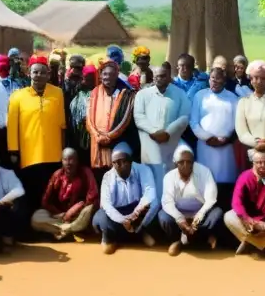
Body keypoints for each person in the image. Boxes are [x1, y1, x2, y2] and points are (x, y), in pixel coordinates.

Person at [8, 57, 67, 216]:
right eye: (35, 72)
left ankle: (50, 227)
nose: (38, 75)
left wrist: (63, 150)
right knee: (30, 193)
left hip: (52, 154)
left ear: (48, 74)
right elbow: (12, 126)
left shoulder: (57, 93)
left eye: (42, 72)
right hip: (29, 155)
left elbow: (62, 124)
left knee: (50, 193)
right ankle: (30, 228)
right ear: (29, 74)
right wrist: (14, 151)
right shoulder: (17, 96)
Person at [134, 62, 190, 197]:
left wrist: (168, 132)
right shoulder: (143, 95)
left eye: (163, 76)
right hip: (150, 144)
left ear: (169, 76)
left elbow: (184, 117)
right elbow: (138, 116)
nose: (159, 79)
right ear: (153, 78)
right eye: (156, 76)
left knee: (168, 179)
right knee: (150, 180)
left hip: (170, 144)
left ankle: (167, 210)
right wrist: (154, 131)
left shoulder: (179, 94)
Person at [93, 142, 159, 254]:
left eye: (124, 161)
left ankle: (140, 231)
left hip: (136, 210)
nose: (120, 165)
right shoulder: (107, 177)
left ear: (131, 161)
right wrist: (123, 220)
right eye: (115, 163)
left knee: (154, 204)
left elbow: (150, 193)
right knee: (100, 218)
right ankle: (111, 238)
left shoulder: (143, 170)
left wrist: (135, 214)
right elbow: (106, 204)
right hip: (116, 212)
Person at [159, 143, 222, 255]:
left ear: (194, 162)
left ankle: (192, 238)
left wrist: (197, 218)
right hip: (179, 213)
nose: (186, 165)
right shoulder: (169, 177)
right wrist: (181, 219)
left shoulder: (204, 172)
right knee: (163, 216)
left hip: (200, 213)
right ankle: (177, 240)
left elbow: (211, 199)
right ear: (175, 164)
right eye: (181, 162)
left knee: (217, 213)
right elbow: (167, 202)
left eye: (189, 162)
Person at [190, 66, 240, 206]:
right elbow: (193, 122)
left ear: (224, 81)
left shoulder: (232, 98)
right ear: (209, 79)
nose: (215, 82)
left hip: (226, 148)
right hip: (205, 145)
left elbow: (237, 123)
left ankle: (224, 211)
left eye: (218, 79)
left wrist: (227, 139)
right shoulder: (200, 95)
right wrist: (207, 137)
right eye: (212, 78)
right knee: (205, 181)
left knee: (225, 182)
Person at [31, 148, 99, 241]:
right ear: (62, 161)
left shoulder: (85, 172)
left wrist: (76, 209)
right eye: (65, 159)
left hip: (78, 217)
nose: (68, 163)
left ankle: (61, 231)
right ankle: (68, 230)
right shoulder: (57, 175)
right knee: (36, 218)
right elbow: (45, 201)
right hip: (60, 217)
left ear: (77, 161)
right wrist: (60, 214)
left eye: (71, 159)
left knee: (89, 209)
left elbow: (93, 196)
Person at [86, 61, 137, 173]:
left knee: (116, 172)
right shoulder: (94, 93)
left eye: (111, 74)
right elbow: (89, 119)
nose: (108, 77)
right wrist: (96, 135)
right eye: (105, 74)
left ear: (117, 75)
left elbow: (125, 120)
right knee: (98, 176)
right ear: (100, 76)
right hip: (97, 141)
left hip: (117, 141)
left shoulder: (125, 95)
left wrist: (109, 136)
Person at [67, 64, 97, 162]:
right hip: (79, 136)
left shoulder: (99, 93)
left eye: (91, 79)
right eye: (86, 79)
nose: (88, 82)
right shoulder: (76, 93)